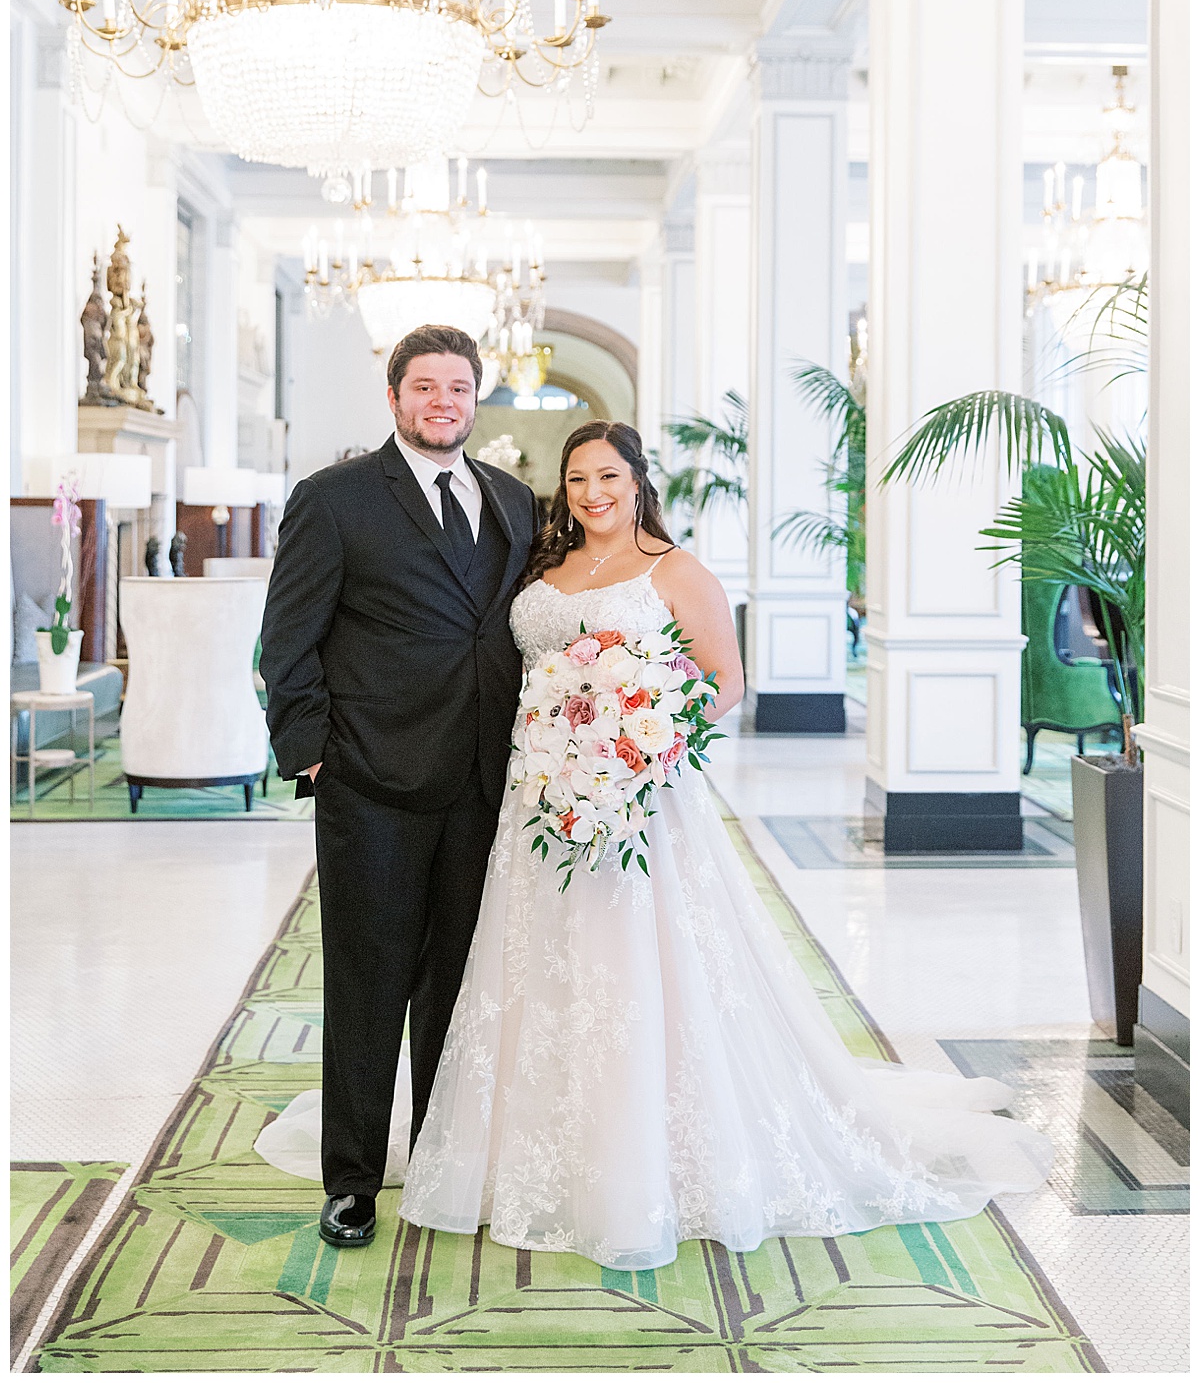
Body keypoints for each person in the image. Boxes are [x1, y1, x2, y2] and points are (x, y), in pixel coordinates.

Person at [260, 418, 1053, 1269]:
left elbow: (723, 683)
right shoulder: (541, 560)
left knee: (633, 973)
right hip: (531, 805)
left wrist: (640, 745)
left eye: (609, 477)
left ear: (639, 480)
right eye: (578, 482)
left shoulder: (677, 572)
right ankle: (488, 1148)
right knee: (516, 976)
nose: (594, 494)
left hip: (636, 803)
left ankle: (632, 1158)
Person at [258, 325, 539, 1250]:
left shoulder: (514, 501)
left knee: (457, 982)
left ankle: (442, 1154)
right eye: (424, 388)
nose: (442, 403)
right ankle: (352, 1180)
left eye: (458, 388)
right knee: (369, 981)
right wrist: (308, 749)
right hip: (371, 779)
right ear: (396, 398)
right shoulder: (333, 499)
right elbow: (287, 638)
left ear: (475, 398)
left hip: (483, 780)